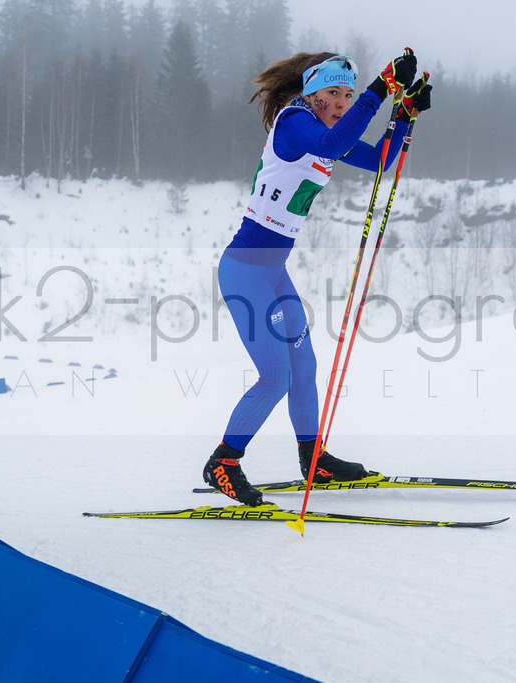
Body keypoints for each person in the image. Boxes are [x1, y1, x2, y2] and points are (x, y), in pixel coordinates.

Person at [203, 50, 433, 506]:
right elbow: (331, 146)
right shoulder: (294, 122)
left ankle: (314, 461)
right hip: (245, 271)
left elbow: (381, 160)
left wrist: (403, 115)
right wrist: (379, 90)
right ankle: (223, 463)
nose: (343, 103)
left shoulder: (328, 131)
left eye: (348, 95)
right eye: (334, 93)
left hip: (272, 273)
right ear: (311, 92)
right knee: (275, 377)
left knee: (303, 368)